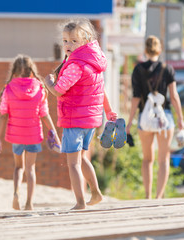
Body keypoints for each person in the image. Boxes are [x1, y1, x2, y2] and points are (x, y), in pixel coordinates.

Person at [44, 18, 118, 210]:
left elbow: (59, 90)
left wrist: (48, 82)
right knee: (83, 158)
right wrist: (108, 111)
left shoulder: (76, 65)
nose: (68, 45)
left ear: (85, 40)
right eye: (65, 41)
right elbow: (101, 92)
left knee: (73, 164)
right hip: (90, 122)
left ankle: (80, 202)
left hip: (74, 120)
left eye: (73, 41)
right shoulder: (94, 64)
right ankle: (96, 192)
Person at [0, 54, 61, 210]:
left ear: (15, 72)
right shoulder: (39, 88)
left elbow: (3, 115)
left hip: (16, 135)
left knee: (18, 167)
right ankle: (29, 203)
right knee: (31, 169)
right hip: (33, 135)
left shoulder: (8, 89)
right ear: (32, 71)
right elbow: (44, 114)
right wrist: (54, 132)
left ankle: (16, 193)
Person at [126, 35, 184, 199]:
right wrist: (180, 118)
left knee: (147, 159)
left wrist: (129, 122)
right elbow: (173, 96)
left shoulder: (138, 70)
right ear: (160, 49)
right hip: (164, 117)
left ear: (145, 50)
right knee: (164, 159)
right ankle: (159, 197)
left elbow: (136, 98)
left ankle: (147, 196)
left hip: (145, 118)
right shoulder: (168, 69)